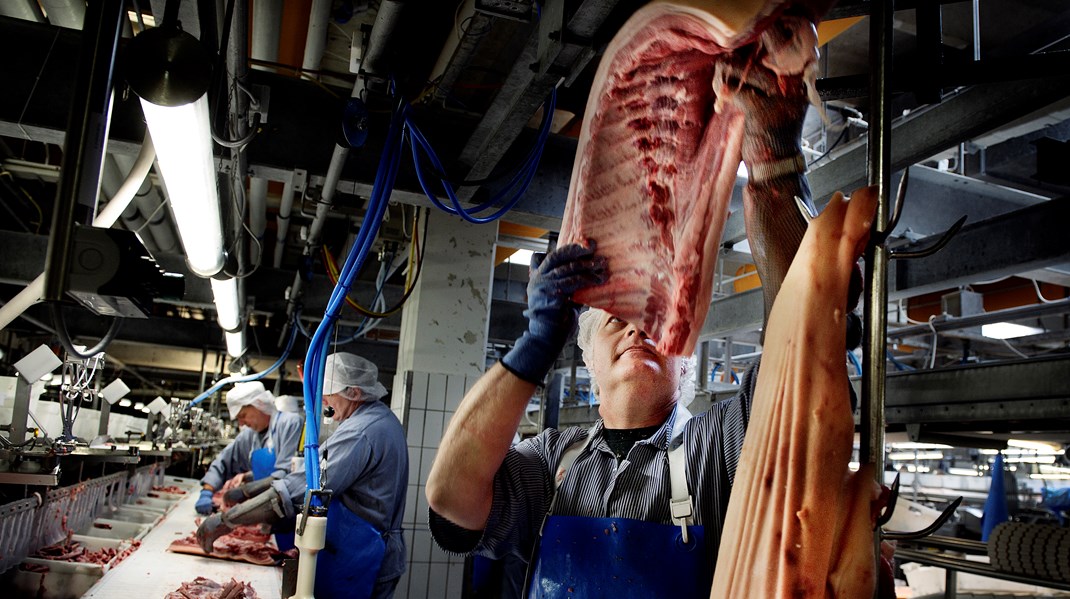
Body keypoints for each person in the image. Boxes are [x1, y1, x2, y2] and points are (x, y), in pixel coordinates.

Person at [195, 352, 409, 599]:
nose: (325, 400)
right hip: (359, 548)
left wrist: (227, 520)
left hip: (364, 553)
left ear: (354, 392)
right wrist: (246, 492)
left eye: (330, 393)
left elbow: (306, 485)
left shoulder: (362, 430)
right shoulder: (374, 419)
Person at [195, 381, 304, 515]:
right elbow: (223, 462)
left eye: (242, 415)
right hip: (261, 509)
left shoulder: (290, 423)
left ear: (259, 404)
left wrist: (245, 491)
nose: (241, 423)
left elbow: (285, 473)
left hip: (285, 509)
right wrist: (206, 491)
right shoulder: (249, 435)